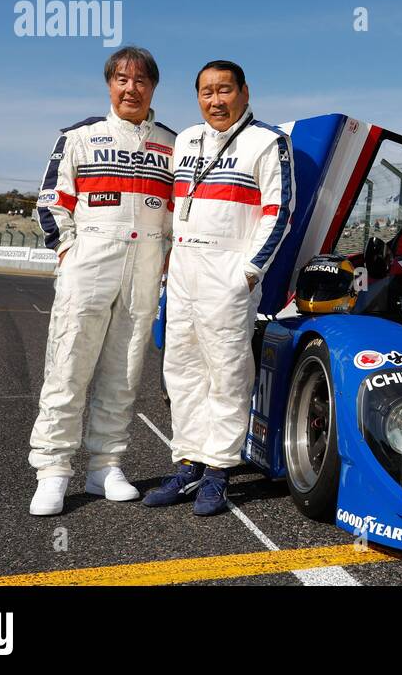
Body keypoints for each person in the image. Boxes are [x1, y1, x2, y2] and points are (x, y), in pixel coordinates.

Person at [27, 47, 177, 516]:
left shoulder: (175, 143)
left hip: (146, 263)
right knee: (68, 365)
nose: (131, 88)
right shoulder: (80, 136)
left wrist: (168, 257)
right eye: (121, 80)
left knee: (125, 371)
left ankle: (104, 467)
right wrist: (69, 251)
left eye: (140, 81)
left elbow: (183, 209)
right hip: (91, 259)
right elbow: (51, 199)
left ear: (153, 87)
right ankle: (52, 470)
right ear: (109, 84)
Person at [144, 60, 295, 516]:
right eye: (206, 92)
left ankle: (219, 472)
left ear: (245, 93)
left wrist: (248, 273)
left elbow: (280, 210)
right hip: (186, 268)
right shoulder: (187, 139)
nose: (216, 100)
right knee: (182, 369)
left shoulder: (268, 141)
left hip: (229, 270)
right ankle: (189, 462)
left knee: (227, 374)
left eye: (225, 90)